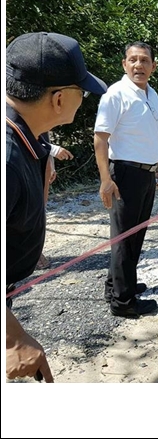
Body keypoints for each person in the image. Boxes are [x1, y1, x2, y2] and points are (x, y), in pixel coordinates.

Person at [6, 32, 107, 382]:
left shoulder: (30, 137)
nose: (84, 101)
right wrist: (12, 337)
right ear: (60, 99)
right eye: (83, 92)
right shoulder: (7, 159)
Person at [94, 41, 158, 318]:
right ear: (125, 64)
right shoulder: (116, 94)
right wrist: (105, 180)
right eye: (133, 60)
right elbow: (100, 138)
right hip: (124, 174)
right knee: (124, 238)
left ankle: (117, 285)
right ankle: (123, 303)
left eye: (144, 60)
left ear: (153, 65)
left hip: (147, 173)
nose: (139, 65)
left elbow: (152, 135)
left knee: (136, 234)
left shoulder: (152, 94)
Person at [36, 133, 74, 270]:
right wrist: (52, 149)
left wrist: (50, 162)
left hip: (41, 160)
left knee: (39, 211)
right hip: (22, 161)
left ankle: (33, 252)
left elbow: (42, 133)